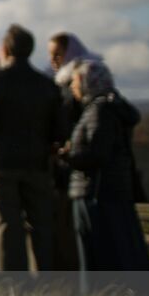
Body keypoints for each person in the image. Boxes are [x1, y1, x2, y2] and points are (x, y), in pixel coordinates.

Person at [0, 24, 63, 272]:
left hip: (0, 163)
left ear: (6, 48)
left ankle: (13, 284)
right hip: (37, 163)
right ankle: (44, 280)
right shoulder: (46, 85)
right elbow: (60, 129)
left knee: (6, 225)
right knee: (41, 223)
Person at [65, 60, 149, 272]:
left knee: (102, 251)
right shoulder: (108, 108)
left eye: (75, 81)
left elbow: (97, 153)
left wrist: (68, 154)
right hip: (108, 189)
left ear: (87, 82)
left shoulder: (98, 110)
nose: (72, 87)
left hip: (96, 191)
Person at [48, 32, 102, 269]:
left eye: (57, 54)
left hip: (74, 165)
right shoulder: (64, 82)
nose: (53, 60)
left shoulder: (78, 82)